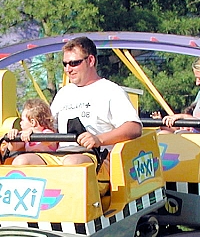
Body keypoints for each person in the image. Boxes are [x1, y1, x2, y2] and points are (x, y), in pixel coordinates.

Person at [14, 37, 141, 167]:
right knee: (21, 161)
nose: (68, 69)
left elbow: (134, 127)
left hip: (96, 156)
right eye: (65, 64)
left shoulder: (111, 90)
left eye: (74, 63)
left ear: (90, 60)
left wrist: (98, 139)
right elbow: (50, 127)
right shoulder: (63, 93)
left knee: (72, 163)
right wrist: (32, 130)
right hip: (60, 155)